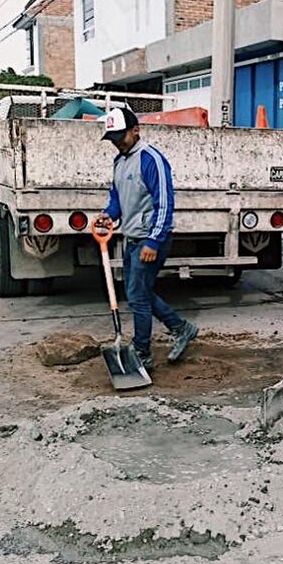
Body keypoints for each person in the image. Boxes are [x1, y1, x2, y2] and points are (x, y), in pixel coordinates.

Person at [95, 107, 198, 369]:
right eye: (113, 138)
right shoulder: (120, 161)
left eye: (121, 136)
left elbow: (164, 202)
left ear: (136, 130)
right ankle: (180, 327)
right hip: (131, 238)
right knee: (138, 293)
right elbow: (117, 197)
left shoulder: (151, 159)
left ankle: (142, 351)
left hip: (151, 239)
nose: (117, 142)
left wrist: (153, 241)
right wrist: (109, 215)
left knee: (138, 296)